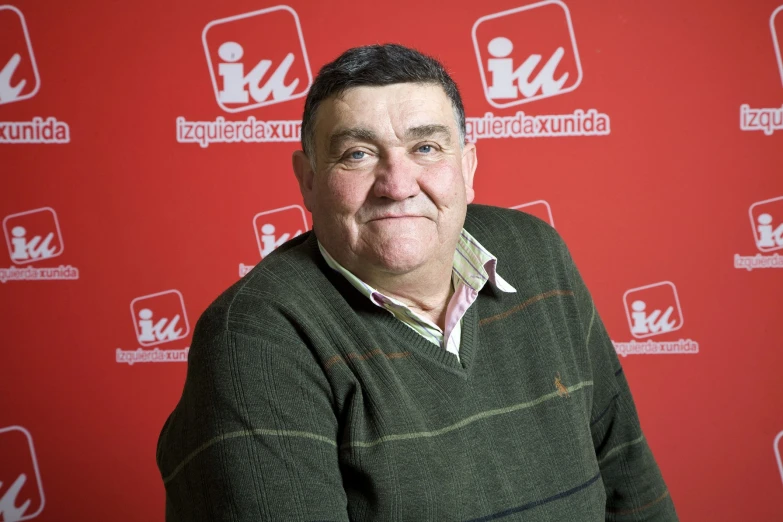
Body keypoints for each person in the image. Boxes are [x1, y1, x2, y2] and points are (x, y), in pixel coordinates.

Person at [156, 43, 678, 521]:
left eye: (426, 147)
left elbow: (629, 477)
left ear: (468, 168)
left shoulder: (536, 253)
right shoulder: (256, 337)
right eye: (358, 153)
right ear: (309, 181)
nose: (397, 185)